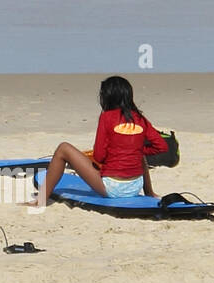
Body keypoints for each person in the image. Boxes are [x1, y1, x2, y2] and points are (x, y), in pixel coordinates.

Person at [28, 76, 168, 206]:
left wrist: (115, 154)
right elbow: (161, 146)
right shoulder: (140, 118)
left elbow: (99, 156)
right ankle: (149, 192)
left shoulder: (106, 117)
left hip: (113, 188)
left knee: (63, 149)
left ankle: (41, 200)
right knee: (138, 153)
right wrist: (134, 150)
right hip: (136, 186)